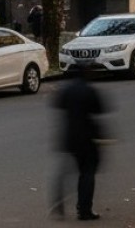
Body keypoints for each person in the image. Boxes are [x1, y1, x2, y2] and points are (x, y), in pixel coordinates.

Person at [52, 69, 108, 221]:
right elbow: (99, 109)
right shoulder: (89, 90)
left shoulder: (66, 90)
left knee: (67, 170)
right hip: (88, 137)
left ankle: (58, 200)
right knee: (87, 173)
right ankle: (84, 209)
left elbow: (58, 105)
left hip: (69, 136)